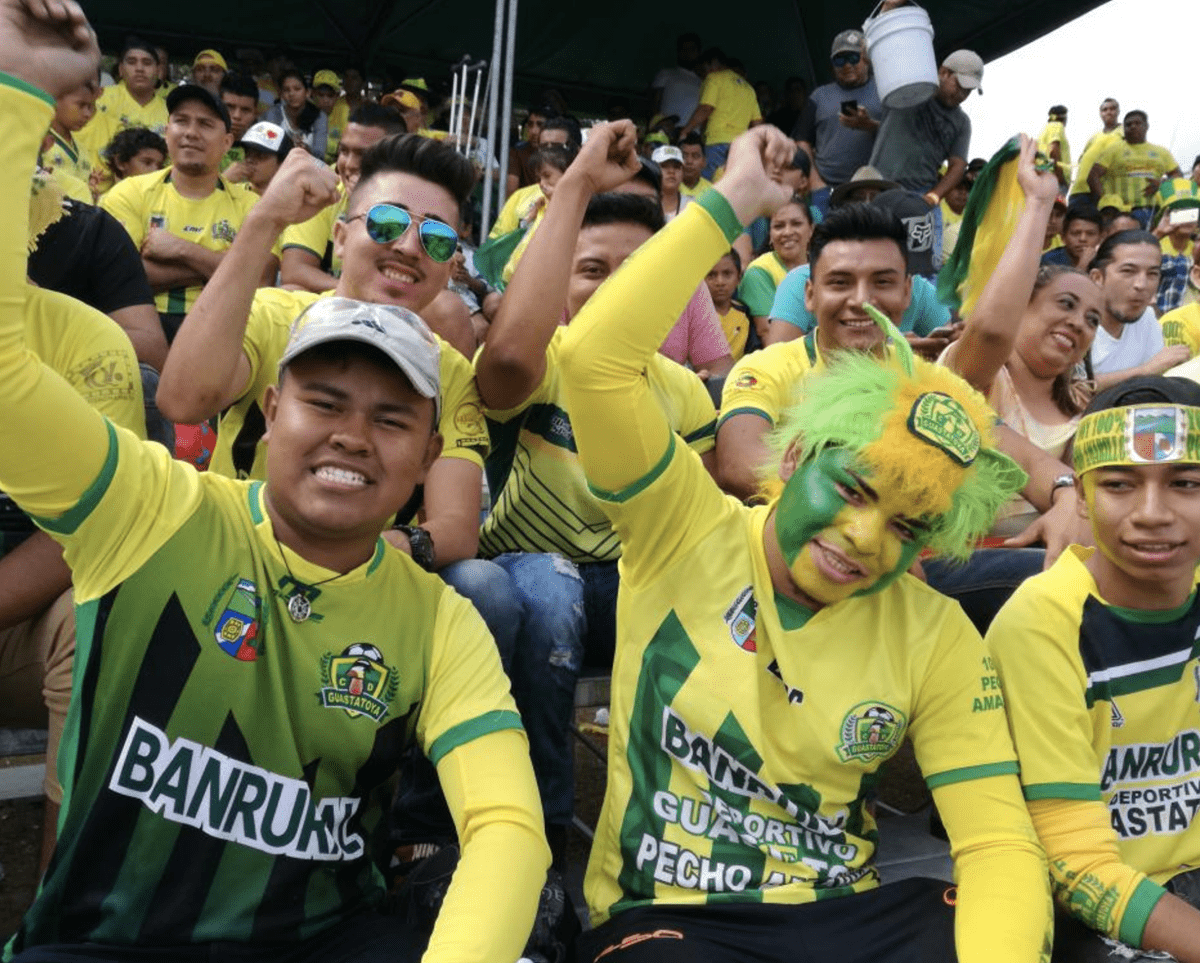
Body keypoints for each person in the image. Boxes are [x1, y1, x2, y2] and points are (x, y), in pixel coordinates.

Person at [0, 6, 550, 962]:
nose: (351, 434)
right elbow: (157, 386)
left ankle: (411, 833)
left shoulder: (435, 616)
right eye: (324, 399)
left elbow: (509, 826)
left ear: (425, 450)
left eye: (390, 418)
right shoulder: (153, 507)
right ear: (270, 402)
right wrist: (17, 88)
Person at [555, 120, 1051, 963]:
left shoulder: (932, 630)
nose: (863, 538)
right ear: (794, 457)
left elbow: (999, 842)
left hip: (844, 911)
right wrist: (733, 200)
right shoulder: (684, 525)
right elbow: (593, 360)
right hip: (673, 914)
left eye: (908, 524)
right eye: (852, 489)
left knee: (989, 918)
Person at [473, 139, 720, 867]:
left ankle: (686, 830)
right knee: (551, 589)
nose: (614, 286)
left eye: (638, 271)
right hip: (527, 575)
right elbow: (505, 363)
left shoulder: (681, 391)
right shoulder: (536, 363)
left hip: (626, 587)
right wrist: (576, 184)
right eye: (590, 269)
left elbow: (688, 527)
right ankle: (543, 837)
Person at [989, 375, 1200, 963]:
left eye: (1186, 483)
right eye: (1118, 485)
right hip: (1101, 909)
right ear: (1079, 497)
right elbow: (1076, 867)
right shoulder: (1042, 626)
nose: (1152, 514)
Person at [941, 136, 1102, 537]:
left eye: (1093, 319)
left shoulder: (1075, 409)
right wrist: (1038, 203)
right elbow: (993, 331)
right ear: (1022, 306)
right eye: (1065, 304)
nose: (1079, 323)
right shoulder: (979, 373)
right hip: (957, 564)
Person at [100, 83, 272, 343]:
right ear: (167, 132)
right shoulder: (127, 193)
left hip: (221, 331)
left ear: (227, 142)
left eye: (205, 124)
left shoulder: (252, 206)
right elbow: (120, 277)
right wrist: (226, 265)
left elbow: (261, 279)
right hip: (141, 326)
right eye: (181, 121)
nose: (191, 133)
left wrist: (181, 250)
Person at [279, 102, 407, 294]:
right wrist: (358, 292)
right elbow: (295, 270)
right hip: (336, 304)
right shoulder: (323, 187)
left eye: (364, 154)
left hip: (397, 306)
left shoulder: (418, 199)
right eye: (344, 151)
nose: (349, 164)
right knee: (291, 290)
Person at [869, 50, 982, 206]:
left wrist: (933, 197)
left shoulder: (962, 122)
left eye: (968, 91)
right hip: (877, 186)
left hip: (919, 194)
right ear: (944, 72)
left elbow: (958, 166)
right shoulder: (909, 89)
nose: (962, 94)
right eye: (960, 85)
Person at [795, 29, 881, 213]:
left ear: (866, 58)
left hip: (872, 189)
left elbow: (900, 137)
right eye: (839, 60)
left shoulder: (883, 90)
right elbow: (802, 140)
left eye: (853, 57)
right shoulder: (819, 96)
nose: (846, 65)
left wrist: (870, 126)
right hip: (827, 189)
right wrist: (814, 180)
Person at [1089, 230, 1188, 387]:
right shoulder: (1075, 324)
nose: (1141, 285)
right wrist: (1144, 371)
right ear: (1097, 278)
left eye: (1152, 274)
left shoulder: (1146, 318)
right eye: (1128, 271)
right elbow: (1071, 388)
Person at [737, 193, 813, 341]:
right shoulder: (759, 272)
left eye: (796, 224)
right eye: (779, 226)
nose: (788, 232)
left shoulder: (822, 265)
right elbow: (771, 337)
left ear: (811, 229)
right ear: (770, 235)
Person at [1087, 111, 1181, 228]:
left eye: (1137, 123)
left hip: (1154, 211)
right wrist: (1105, 201)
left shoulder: (1162, 152)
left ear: (1146, 126)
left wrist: (1162, 184)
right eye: (1128, 124)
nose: (1132, 126)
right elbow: (1092, 175)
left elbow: (1177, 175)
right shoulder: (1113, 149)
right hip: (1120, 213)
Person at [678, 47, 761, 178]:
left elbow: (706, 108)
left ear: (712, 63)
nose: (704, 74)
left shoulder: (714, 78)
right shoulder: (749, 88)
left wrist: (686, 131)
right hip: (740, 148)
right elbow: (758, 123)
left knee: (709, 188)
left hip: (717, 143)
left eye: (705, 68)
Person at [41, 77, 97, 189]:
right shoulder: (39, 143)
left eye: (90, 107)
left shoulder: (82, 150)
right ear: (56, 100)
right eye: (81, 105)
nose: (87, 114)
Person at [1068, 98, 1122, 204]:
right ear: (1100, 113)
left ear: (1118, 111)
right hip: (1079, 190)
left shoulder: (1124, 133)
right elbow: (1081, 159)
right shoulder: (1094, 137)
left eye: (1112, 109)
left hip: (1103, 192)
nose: (1108, 112)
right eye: (1105, 110)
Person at [266, 69, 329, 159]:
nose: (291, 94)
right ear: (281, 94)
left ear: (307, 92)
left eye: (297, 89)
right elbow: (269, 149)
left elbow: (320, 155)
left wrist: (307, 152)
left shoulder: (320, 117)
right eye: (286, 90)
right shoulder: (273, 113)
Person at [650, 33, 703, 136]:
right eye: (684, 49)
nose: (687, 53)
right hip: (665, 133)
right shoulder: (666, 74)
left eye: (692, 49)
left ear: (698, 52)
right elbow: (654, 104)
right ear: (678, 52)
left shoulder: (703, 81)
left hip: (692, 137)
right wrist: (655, 127)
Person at [705, 248, 752, 360]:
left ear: (738, 278)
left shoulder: (745, 315)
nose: (720, 282)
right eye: (711, 275)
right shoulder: (694, 315)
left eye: (727, 274)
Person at [236, 120, 294, 194]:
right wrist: (223, 181)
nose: (250, 160)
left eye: (260, 156)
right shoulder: (233, 191)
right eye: (247, 153)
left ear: (282, 162)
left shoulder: (292, 198)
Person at [100, 124, 165, 188]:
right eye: (147, 163)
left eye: (160, 166)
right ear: (120, 163)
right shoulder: (110, 198)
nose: (156, 171)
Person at [1042, 204, 1102, 269]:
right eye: (1076, 233)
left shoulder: (1105, 262)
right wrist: (1082, 266)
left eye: (1090, 234)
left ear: (1100, 238)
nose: (1082, 239)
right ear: (1063, 237)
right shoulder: (1048, 261)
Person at [652, 144, 690, 222]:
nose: (671, 171)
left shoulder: (691, 206)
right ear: (653, 170)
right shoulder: (645, 204)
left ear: (682, 172)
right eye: (664, 166)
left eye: (676, 167)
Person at [1037, 105, 1071, 187]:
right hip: (1055, 179)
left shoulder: (1045, 130)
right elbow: (1053, 150)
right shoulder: (1056, 126)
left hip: (1044, 176)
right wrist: (1059, 177)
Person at [678, 131, 711, 197]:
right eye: (684, 156)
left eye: (695, 156)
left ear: (704, 162)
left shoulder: (711, 191)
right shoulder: (669, 188)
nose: (689, 161)